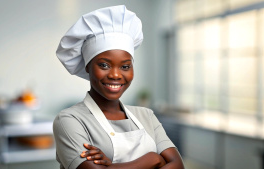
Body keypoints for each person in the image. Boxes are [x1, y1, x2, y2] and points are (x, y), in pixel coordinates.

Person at [53, 5, 184, 169]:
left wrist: (112, 166)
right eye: (104, 65)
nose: (115, 75)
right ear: (87, 66)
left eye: (125, 66)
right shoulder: (70, 120)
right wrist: (153, 160)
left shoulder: (146, 115)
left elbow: (178, 165)